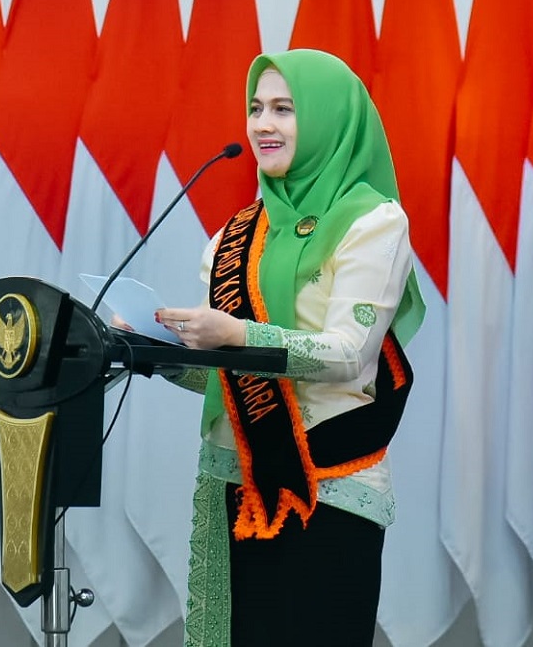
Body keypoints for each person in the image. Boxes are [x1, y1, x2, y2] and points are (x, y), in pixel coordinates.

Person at [153, 49, 425, 646]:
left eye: (284, 109)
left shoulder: (372, 222)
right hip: (233, 484)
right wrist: (155, 352)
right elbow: (227, 378)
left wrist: (238, 334)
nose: (262, 125)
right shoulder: (236, 234)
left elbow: (349, 354)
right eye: (255, 108)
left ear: (329, 118)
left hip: (328, 489)